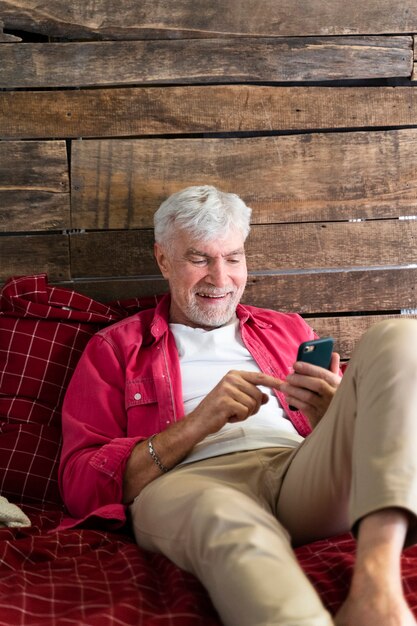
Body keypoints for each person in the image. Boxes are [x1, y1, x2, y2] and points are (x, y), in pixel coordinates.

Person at [59, 185, 417, 626]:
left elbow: (372, 444)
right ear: (163, 259)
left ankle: (376, 587)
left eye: (232, 258)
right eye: (199, 259)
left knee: (402, 338)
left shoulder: (288, 329)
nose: (221, 278)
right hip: (191, 484)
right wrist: (197, 425)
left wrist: (327, 416)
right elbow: (78, 486)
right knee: (228, 522)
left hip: (295, 470)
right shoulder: (114, 348)